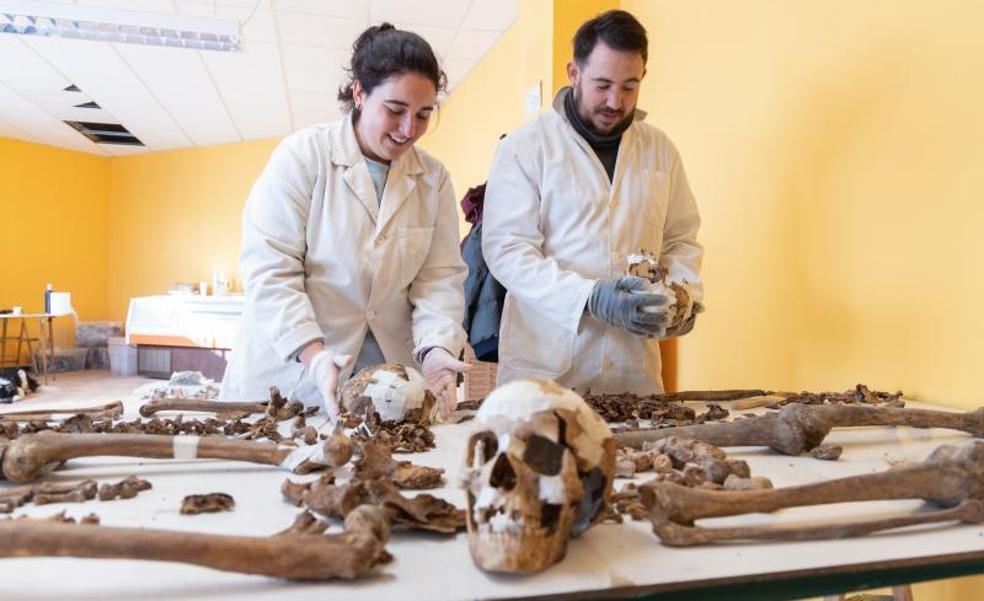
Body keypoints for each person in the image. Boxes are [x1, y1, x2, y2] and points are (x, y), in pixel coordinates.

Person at [221, 24, 470, 421]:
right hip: (295, 374)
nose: (409, 130)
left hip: (386, 385)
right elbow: (271, 269)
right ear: (359, 93)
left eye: (424, 114)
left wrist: (436, 348)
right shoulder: (303, 157)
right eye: (395, 110)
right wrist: (314, 355)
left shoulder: (432, 178)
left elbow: (438, 279)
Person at [482, 10, 703, 395]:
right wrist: (588, 297)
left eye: (629, 87)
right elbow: (507, 250)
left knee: (635, 456)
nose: (615, 101)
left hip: (633, 372)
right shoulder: (525, 147)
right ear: (574, 73)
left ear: (643, 78)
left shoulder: (660, 150)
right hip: (546, 369)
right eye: (602, 84)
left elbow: (682, 239)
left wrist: (682, 298)